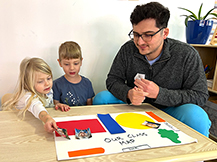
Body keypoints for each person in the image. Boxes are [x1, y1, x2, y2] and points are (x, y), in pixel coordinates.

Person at [93, 2, 211, 137]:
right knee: (102, 98)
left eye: (148, 35)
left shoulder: (186, 54)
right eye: (136, 34)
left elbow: (200, 95)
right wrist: (128, 93)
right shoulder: (128, 49)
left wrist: (159, 94)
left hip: (170, 109)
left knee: (196, 116)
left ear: (164, 33)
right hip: (135, 106)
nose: (140, 42)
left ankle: (196, 156)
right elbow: (113, 79)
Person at [2, 57, 58, 133]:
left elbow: (47, 105)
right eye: (40, 81)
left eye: (48, 78)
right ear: (29, 83)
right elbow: (37, 108)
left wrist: (57, 105)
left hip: (32, 118)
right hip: (15, 119)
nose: (47, 83)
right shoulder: (29, 96)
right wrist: (47, 118)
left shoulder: (47, 90)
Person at [53, 41, 95, 111]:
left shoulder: (87, 83)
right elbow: (55, 106)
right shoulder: (56, 84)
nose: (71, 68)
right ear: (60, 63)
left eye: (75, 63)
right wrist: (59, 105)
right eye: (66, 64)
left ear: (81, 62)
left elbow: (89, 107)